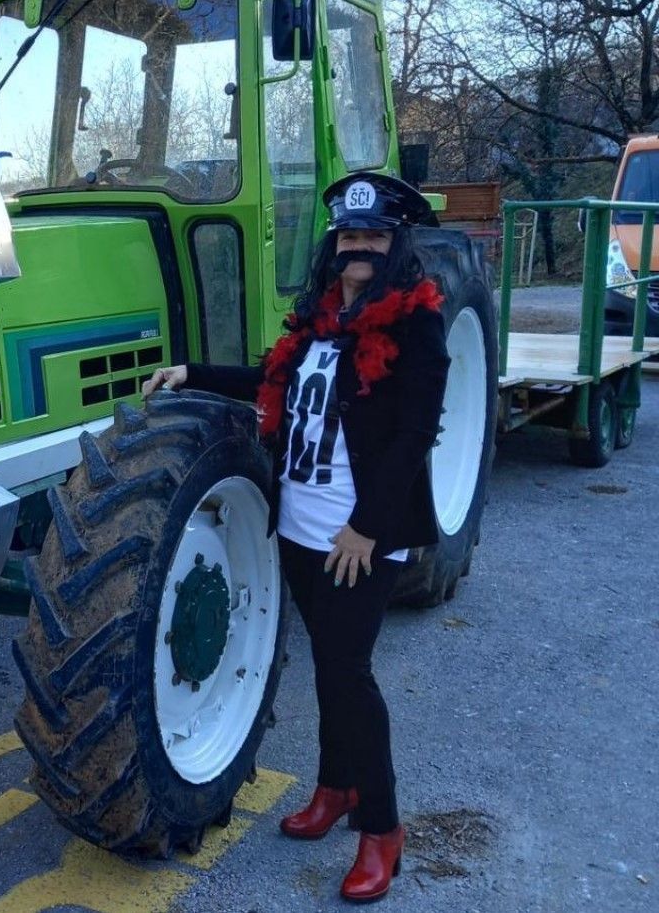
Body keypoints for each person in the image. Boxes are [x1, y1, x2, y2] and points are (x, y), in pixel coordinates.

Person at [143, 171, 450, 903]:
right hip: (302, 525)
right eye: (349, 235)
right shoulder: (320, 321)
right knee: (330, 670)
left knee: (349, 675)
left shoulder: (415, 324)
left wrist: (366, 528)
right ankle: (335, 787)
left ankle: (382, 828)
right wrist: (192, 372)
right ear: (333, 245)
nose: (359, 247)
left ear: (396, 245)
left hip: (358, 533)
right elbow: (272, 380)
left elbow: (414, 434)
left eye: (374, 236)